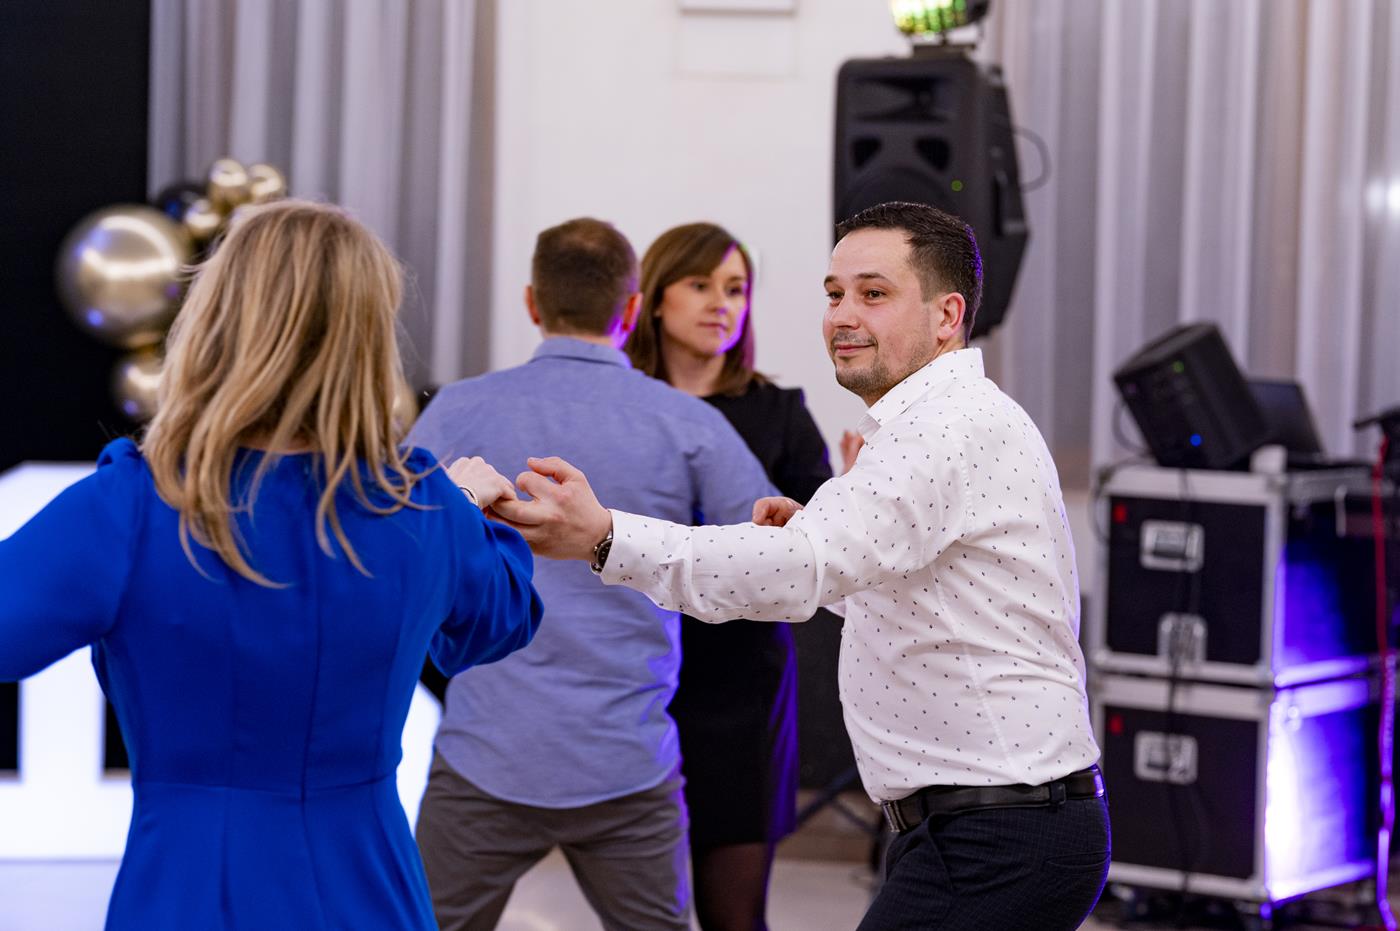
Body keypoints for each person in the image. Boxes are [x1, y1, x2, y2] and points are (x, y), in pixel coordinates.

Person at [492, 201, 1111, 931]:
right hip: (989, 823)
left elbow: (800, 569)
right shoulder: (944, 420)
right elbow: (919, 590)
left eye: (873, 294)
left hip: (1000, 829)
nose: (842, 315)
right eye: (834, 293)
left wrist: (604, 536)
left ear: (947, 315)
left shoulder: (943, 430)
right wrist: (814, 535)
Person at [0, 200, 544, 930]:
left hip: (190, 896)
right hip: (372, 893)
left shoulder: (133, 505)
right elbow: (498, 620)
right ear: (368, 335)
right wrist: (467, 508)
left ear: (217, 318)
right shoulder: (425, 507)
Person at [407, 217, 776, 931]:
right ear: (632, 309)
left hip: (485, 756)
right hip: (628, 761)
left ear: (532, 303)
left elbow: (395, 543)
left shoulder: (456, 411)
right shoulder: (688, 424)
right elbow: (767, 557)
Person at [625, 222, 831, 931]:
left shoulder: (779, 411)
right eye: (701, 284)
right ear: (655, 298)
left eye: (737, 289)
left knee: (734, 916)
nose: (723, 303)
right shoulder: (622, 405)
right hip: (635, 674)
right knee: (641, 910)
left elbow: (818, 539)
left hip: (742, 682)